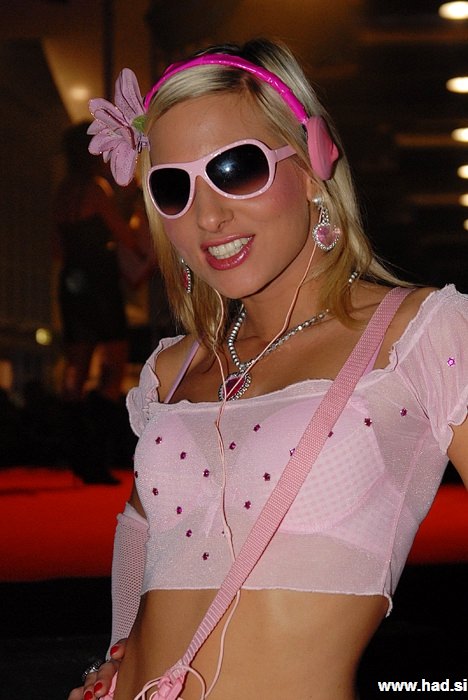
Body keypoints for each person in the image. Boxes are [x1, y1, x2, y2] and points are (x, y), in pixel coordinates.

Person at [70, 39, 468, 699]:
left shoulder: (420, 335)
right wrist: (115, 657)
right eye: (173, 187)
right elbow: (141, 526)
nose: (208, 215)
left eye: (235, 168)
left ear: (312, 165)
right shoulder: (173, 368)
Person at [54, 122, 145, 483]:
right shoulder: (95, 189)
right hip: (99, 283)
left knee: (75, 370)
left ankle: (78, 456)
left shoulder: (63, 192)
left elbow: (58, 249)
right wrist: (135, 211)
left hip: (72, 281)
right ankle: (96, 458)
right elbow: (127, 237)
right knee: (114, 364)